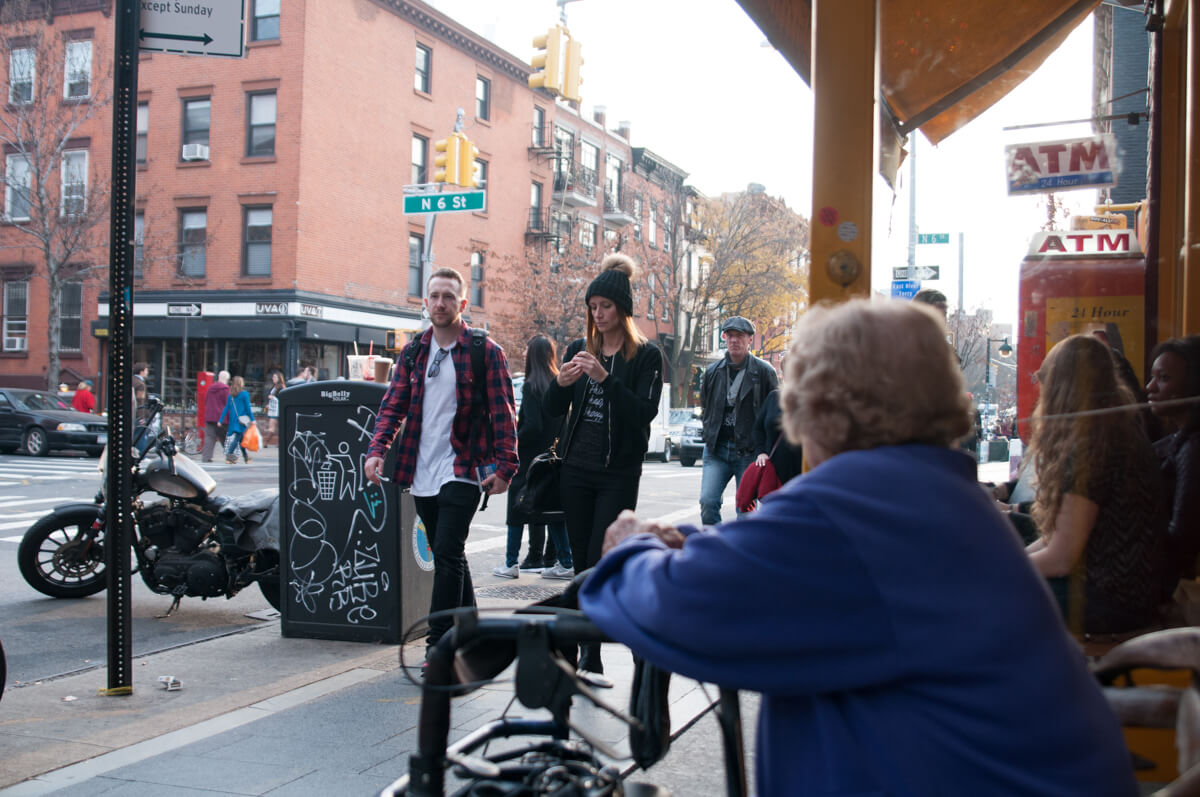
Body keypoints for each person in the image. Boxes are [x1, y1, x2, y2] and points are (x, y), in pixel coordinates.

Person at [579, 299, 1137, 796]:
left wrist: (629, 549)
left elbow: (675, 606)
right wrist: (697, 544)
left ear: (814, 401)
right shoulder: (933, 496)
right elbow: (784, 563)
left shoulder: (864, 506)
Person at [364, 266, 518, 658]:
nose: (440, 303)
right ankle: (473, 633)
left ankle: (439, 646)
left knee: (446, 553)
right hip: (421, 468)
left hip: (464, 468)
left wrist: (506, 468)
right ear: (425, 302)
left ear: (462, 304)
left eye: (449, 296)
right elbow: (392, 406)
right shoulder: (414, 352)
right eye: (434, 296)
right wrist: (377, 449)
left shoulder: (486, 352)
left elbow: (504, 413)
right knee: (450, 553)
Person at [544, 253, 663, 682]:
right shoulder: (579, 349)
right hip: (575, 468)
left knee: (599, 560)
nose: (598, 314)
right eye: (593, 307)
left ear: (622, 310)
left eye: (606, 307)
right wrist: (560, 386)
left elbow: (643, 413)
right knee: (580, 564)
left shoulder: (645, 356)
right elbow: (551, 411)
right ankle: (585, 655)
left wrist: (604, 379)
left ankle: (613, 643)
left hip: (617, 472)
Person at [1025, 334, 1167, 634]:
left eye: (1043, 378)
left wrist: (996, 568)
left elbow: (1062, 557)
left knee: (993, 596)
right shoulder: (1114, 430)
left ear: (1061, 386)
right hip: (1128, 593)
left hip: (1111, 600)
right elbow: (1057, 541)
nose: (1039, 388)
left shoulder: (1093, 443)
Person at [493, 335, 574, 580]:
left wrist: (514, 439)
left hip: (529, 459)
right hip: (554, 459)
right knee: (553, 512)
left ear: (533, 356)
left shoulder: (530, 386)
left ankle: (510, 563)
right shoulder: (559, 384)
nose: (525, 355)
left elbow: (533, 426)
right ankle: (566, 561)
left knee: (516, 511)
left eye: (528, 351)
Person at [697, 316, 778, 525]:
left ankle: (743, 553)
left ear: (749, 340)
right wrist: (708, 434)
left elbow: (774, 411)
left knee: (746, 510)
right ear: (724, 337)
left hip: (749, 451)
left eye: (739, 336)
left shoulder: (764, 371)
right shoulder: (712, 371)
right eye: (729, 335)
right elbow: (705, 406)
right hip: (717, 449)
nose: (734, 340)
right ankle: (713, 549)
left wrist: (765, 449)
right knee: (708, 502)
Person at [1146, 336, 1200, 582]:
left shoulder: (1193, 448)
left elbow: (1181, 539)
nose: (1150, 387)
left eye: (1163, 378)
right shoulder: (1179, 438)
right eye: (1153, 376)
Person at [219, 375, 254, 464]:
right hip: (242, 421)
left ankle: (246, 457)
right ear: (240, 383)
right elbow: (248, 408)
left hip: (234, 420)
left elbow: (226, 408)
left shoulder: (231, 396)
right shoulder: (244, 394)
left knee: (240, 439)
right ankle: (229, 456)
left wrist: (220, 420)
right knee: (238, 438)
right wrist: (252, 419)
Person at [201, 370, 230, 463]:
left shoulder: (210, 388)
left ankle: (206, 457)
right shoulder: (226, 389)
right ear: (227, 379)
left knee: (209, 437)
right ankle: (231, 457)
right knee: (225, 438)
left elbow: (206, 401)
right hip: (221, 418)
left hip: (209, 417)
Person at [265, 371, 285, 448]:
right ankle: (277, 443)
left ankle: (265, 442)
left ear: (279, 378)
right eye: (273, 377)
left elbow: (282, 398)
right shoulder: (275, 386)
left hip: (277, 410)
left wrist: (273, 397)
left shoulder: (281, 387)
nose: (273, 378)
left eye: (275, 377)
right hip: (273, 409)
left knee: (272, 426)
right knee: (274, 427)